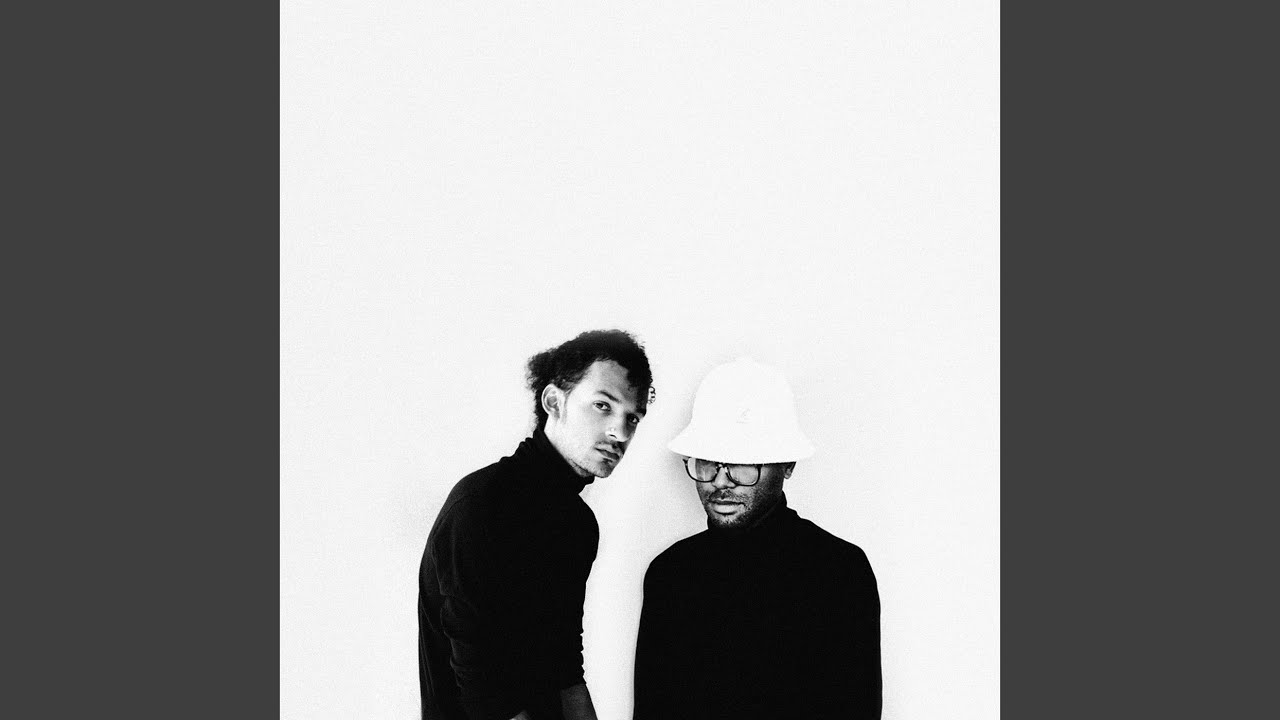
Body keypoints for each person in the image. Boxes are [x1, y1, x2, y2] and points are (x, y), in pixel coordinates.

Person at [419, 329, 654, 720]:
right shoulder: (482, 505)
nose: (621, 432)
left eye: (633, 417)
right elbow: (483, 690)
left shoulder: (577, 524)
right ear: (554, 402)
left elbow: (565, 666)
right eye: (603, 405)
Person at [633, 357, 881, 720]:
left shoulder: (838, 572)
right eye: (707, 462)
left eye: (742, 462)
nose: (720, 481)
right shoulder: (670, 574)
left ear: (788, 464)